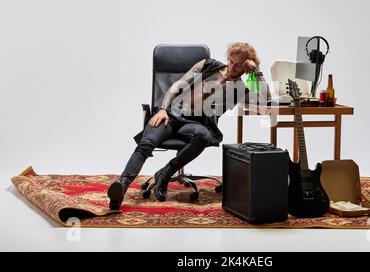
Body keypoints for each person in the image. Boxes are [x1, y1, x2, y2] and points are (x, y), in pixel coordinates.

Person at [107, 42, 272, 210]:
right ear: (228, 57)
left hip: (195, 125)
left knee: (204, 136)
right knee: (146, 144)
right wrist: (163, 109)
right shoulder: (207, 64)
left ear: (246, 67)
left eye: (239, 66)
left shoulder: (239, 90)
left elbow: (266, 100)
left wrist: (257, 71)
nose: (234, 67)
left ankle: (165, 173)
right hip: (170, 115)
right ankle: (121, 187)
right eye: (232, 61)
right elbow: (176, 86)